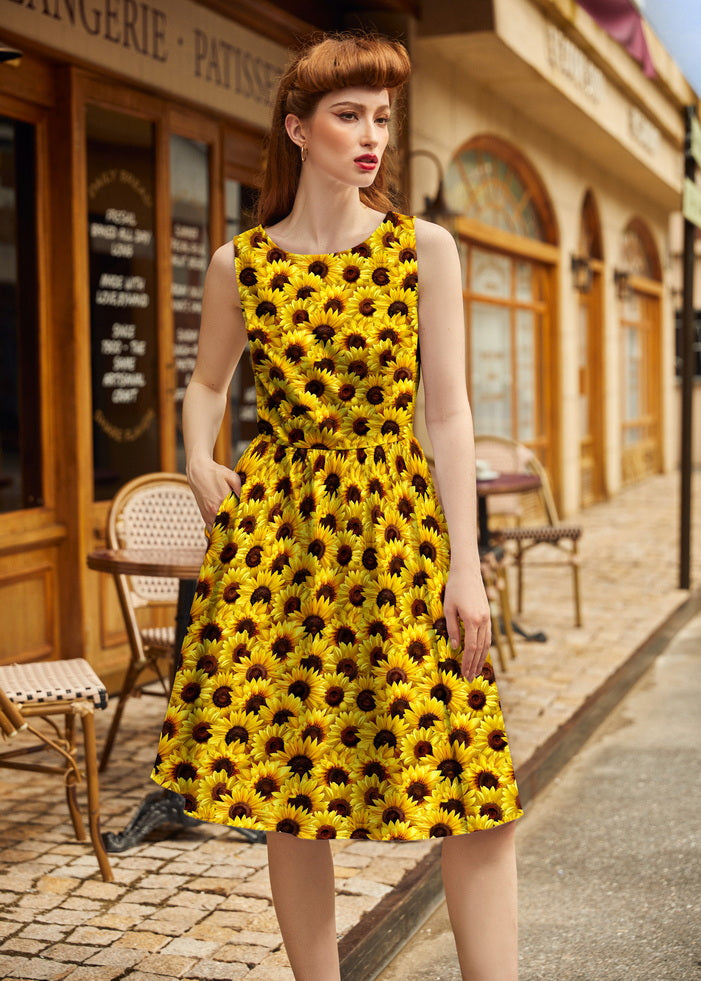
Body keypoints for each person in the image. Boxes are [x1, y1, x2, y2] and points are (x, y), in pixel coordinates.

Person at [151, 31, 522, 981]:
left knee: (474, 782)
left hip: (397, 524)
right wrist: (198, 455)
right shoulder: (242, 264)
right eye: (348, 117)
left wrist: (463, 564)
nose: (371, 138)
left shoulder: (420, 249)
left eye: (382, 119)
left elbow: (447, 411)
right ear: (297, 129)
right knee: (287, 786)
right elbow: (204, 382)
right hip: (281, 539)